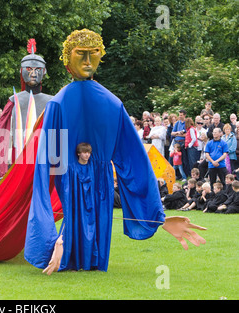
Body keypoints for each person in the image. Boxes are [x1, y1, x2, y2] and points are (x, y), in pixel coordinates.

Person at [24, 29, 206, 275]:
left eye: (94, 55)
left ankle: (72, 253)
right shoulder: (64, 104)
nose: (88, 62)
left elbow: (134, 159)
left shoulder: (103, 104)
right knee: (83, 213)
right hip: (76, 177)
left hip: (93, 178)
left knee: (90, 216)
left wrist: (158, 217)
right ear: (68, 59)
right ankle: (66, 249)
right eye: (81, 55)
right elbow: (52, 161)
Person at [0, 39, 54, 178]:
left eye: (37, 70)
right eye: (29, 69)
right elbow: (3, 131)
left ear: (43, 71)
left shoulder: (51, 101)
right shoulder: (14, 100)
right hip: (19, 153)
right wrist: (3, 164)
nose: (33, 73)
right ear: (22, 71)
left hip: (43, 152)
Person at [171, 109, 189, 177]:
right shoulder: (177, 123)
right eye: (179, 115)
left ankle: (185, 174)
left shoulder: (186, 123)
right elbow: (172, 133)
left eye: (181, 115)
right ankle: (178, 175)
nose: (180, 116)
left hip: (183, 142)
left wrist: (177, 134)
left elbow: (187, 134)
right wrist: (178, 133)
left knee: (184, 159)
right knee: (175, 159)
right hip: (176, 143)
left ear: (184, 115)